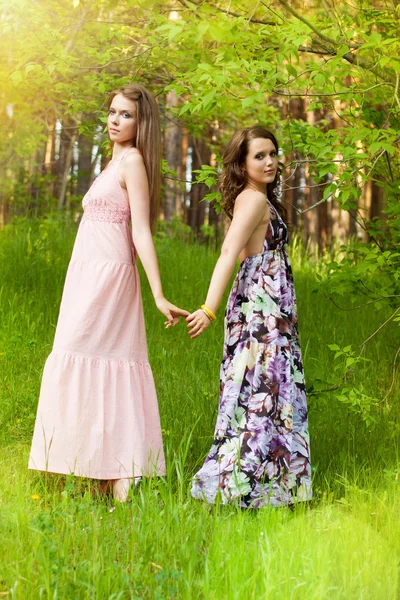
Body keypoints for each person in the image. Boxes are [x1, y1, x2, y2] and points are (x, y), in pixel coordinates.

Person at [29, 84, 188, 501]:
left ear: (142, 123)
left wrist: (157, 293)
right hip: (86, 274)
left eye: (126, 115)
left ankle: (122, 472)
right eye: (113, 112)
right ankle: (100, 470)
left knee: (88, 357)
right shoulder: (112, 161)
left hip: (108, 276)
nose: (115, 120)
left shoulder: (133, 161)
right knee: (84, 357)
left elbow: (140, 230)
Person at [187, 126, 312, 508]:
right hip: (261, 312)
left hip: (269, 310)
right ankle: (236, 483)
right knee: (259, 391)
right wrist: (209, 308)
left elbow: (247, 257)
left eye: (273, 153)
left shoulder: (260, 199)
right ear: (242, 163)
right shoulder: (253, 200)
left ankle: (265, 488)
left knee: (268, 391)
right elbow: (229, 253)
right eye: (259, 155)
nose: (270, 161)